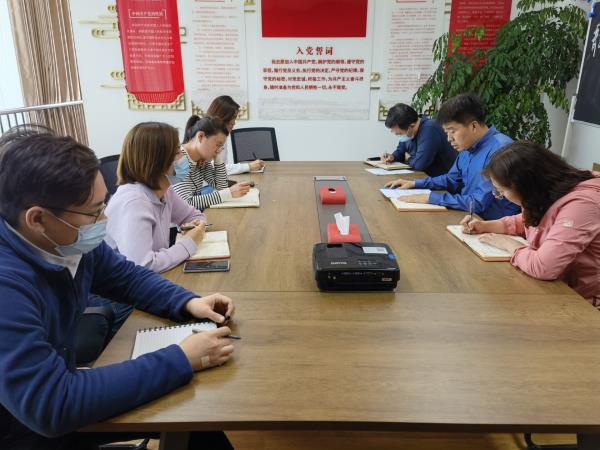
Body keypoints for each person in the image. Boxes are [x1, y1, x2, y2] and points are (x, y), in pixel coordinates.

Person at [0, 127, 236, 450]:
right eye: (93, 212)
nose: (105, 218)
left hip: (56, 392)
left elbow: (127, 277)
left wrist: (188, 302)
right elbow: (52, 403)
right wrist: (180, 358)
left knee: (199, 427)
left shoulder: (67, 241)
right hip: (23, 429)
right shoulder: (7, 286)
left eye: (103, 204)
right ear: (37, 219)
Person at [460, 141, 600, 307]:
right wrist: (487, 226)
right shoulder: (547, 192)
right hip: (559, 287)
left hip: (585, 303)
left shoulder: (581, 206)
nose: (501, 196)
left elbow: (544, 267)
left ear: (526, 185)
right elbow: (533, 220)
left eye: (502, 191)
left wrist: (509, 245)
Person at [385, 93, 520, 220]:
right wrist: (415, 183)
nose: (449, 139)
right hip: (470, 216)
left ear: (473, 126)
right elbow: (451, 179)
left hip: (492, 224)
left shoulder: (500, 149)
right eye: (446, 132)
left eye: (452, 131)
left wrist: (430, 198)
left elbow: (478, 203)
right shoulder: (468, 146)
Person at [105, 122, 208, 273]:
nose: (183, 158)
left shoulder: (165, 191)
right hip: (124, 285)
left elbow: (194, 215)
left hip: (155, 279)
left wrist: (197, 226)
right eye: (177, 153)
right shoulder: (133, 202)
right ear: (156, 161)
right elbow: (143, 266)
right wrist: (189, 242)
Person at [172, 116, 251, 209]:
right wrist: (228, 193)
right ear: (201, 136)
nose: (218, 150)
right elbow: (186, 203)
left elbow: (221, 187)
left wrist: (219, 160)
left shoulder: (202, 160)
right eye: (218, 145)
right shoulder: (178, 159)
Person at [381, 103, 457, 177]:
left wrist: (408, 158)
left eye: (399, 134)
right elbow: (400, 151)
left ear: (411, 126)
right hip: (423, 177)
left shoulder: (430, 129)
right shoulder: (409, 132)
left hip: (443, 180)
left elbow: (419, 165)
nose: (399, 136)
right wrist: (393, 156)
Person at [206, 95, 264, 175]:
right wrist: (248, 166)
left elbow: (221, 168)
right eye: (231, 118)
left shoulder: (221, 135)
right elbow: (214, 169)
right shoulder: (207, 137)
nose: (233, 123)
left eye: (235, 118)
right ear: (221, 117)